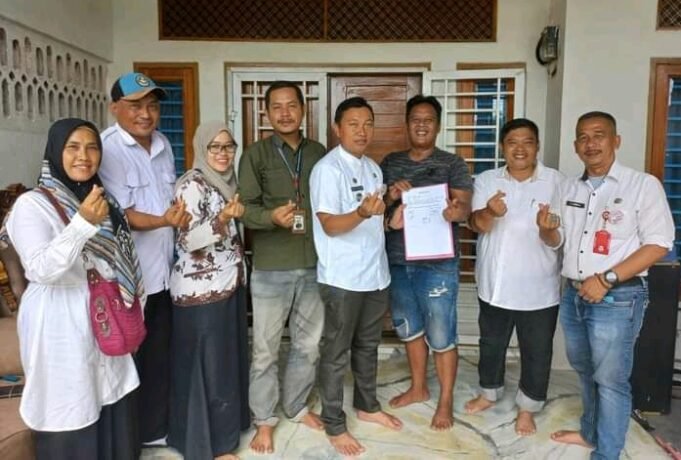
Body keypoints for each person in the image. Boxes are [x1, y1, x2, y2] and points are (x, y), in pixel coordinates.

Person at [6, 118, 145, 459]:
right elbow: (41, 269)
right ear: (55, 152)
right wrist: (82, 223)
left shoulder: (103, 200)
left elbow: (119, 259)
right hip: (59, 319)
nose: (84, 156)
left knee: (110, 398)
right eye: (73, 147)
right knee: (70, 404)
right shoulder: (31, 205)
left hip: (105, 314)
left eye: (92, 147)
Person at [547, 111, 674, 459]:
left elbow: (660, 244)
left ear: (616, 141)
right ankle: (591, 433)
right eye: (583, 137)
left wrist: (606, 279)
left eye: (599, 135)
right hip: (574, 294)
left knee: (611, 380)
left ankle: (607, 453)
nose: (591, 144)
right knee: (586, 370)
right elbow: (559, 240)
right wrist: (547, 230)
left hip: (617, 297)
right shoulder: (569, 187)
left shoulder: (642, 185)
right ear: (575, 146)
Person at [98, 71, 191, 446]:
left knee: (158, 354)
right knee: (127, 359)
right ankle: (126, 438)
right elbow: (120, 214)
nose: (145, 114)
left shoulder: (163, 144)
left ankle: (154, 431)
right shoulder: (108, 150)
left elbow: (170, 201)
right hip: (128, 279)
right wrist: (164, 220)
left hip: (164, 272)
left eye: (152, 106)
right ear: (114, 108)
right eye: (135, 106)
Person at [310, 96, 403, 457]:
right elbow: (330, 225)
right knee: (336, 352)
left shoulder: (374, 169)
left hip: (375, 275)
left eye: (368, 124)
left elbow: (375, 220)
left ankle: (367, 405)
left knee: (368, 346)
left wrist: (391, 211)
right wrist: (362, 213)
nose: (362, 131)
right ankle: (334, 423)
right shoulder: (327, 169)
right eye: (353, 124)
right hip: (342, 278)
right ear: (338, 128)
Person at [238, 81, 326, 454]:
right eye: (277, 106)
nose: (285, 113)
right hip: (271, 266)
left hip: (314, 263)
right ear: (266, 113)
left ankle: (296, 406)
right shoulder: (255, 155)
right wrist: (271, 217)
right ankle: (263, 420)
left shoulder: (319, 152)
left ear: (303, 110)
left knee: (308, 345)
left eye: (292, 105)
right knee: (265, 350)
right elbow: (245, 209)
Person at [464, 118, 563, 436]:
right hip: (495, 283)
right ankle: (488, 393)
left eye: (527, 142)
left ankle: (528, 408)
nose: (520, 149)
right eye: (512, 142)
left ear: (537, 146)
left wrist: (546, 229)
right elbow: (476, 225)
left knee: (537, 351)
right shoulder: (487, 179)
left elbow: (557, 239)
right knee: (491, 344)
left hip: (539, 287)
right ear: (502, 147)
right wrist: (490, 212)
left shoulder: (557, 182)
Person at [381, 95, 472, 430]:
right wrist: (391, 197)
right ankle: (418, 388)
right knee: (409, 328)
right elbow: (378, 208)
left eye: (428, 120)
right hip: (398, 260)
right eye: (415, 119)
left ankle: (445, 400)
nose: (421, 125)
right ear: (407, 124)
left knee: (441, 332)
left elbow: (464, 208)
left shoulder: (452, 164)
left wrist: (454, 211)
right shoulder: (390, 162)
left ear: (438, 125)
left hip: (438, 264)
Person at [168, 122, 250, 460]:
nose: (222, 153)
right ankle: (210, 446)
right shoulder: (192, 184)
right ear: (201, 148)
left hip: (227, 285)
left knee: (224, 365)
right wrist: (223, 220)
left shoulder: (228, 183)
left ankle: (225, 434)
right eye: (214, 146)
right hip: (200, 292)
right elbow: (186, 239)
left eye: (228, 146)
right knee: (208, 370)